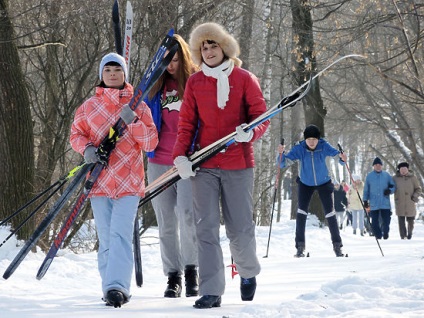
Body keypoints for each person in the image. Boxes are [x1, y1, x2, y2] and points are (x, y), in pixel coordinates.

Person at [172, 22, 270, 309]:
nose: (209, 50)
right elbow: (186, 123)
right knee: (205, 228)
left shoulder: (243, 78)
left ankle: (248, 272)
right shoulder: (195, 82)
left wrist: (250, 132)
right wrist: (181, 157)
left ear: (224, 47)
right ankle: (211, 290)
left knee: (239, 228)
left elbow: (261, 116)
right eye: (203, 46)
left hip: (238, 163)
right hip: (204, 163)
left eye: (213, 44)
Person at [70, 53, 158, 307]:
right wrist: (87, 149)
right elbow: (76, 134)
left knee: (120, 233)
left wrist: (134, 122)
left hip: (129, 182)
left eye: (116, 70)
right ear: (101, 74)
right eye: (107, 69)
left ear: (124, 75)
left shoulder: (137, 105)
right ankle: (108, 285)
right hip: (99, 182)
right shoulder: (88, 106)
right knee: (107, 236)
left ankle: (117, 286)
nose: (111, 74)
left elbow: (151, 142)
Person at [144, 34, 199, 298]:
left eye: (176, 59)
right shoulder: (154, 86)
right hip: (158, 160)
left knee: (187, 217)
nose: (171, 66)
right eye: (167, 61)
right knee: (166, 222)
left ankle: (191, 270)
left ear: (184, 58)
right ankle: (173, 275)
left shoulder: (195, 82)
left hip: (187, 161)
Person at [277, 124, 347, 257]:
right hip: (305, 183)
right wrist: (280, 154)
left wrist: (343, 159)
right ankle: (300, 247)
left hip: (324, 182)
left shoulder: (324, 146)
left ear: (318, 139)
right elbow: (283, 163)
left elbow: (337, 156)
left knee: (330, 214)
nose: (312, 142)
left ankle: (337, 246)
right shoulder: (300, 148)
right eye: (309, 140)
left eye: (314, 139)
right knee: (301, 213)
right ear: (305, 140)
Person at [363, 157, 396, 240]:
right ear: (373, 166)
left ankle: (385, 233)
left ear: (382, 166)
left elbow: (393, 186)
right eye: (376, 165)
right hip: (374, 203)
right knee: (374, 222)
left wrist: (389, 190)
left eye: (379, 165)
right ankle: (378, 235)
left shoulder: (387, 175)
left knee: (386, 220)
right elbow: (366, 189)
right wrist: (365, 201)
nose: (378, 166)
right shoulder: (369, 176)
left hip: (385, 203)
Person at [393, 162, 422, 239]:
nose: (403, 171)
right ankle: (403, 236)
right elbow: (390, 187)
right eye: (401, 169)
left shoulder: (413, 178)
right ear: (399, 170)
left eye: (405, 169)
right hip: (400, 201)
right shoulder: (395, 178)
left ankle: (409, 234)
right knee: (401, 220)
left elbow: (418, 189)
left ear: (408, 169)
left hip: (410, 201)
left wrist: (415, 196)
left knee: (411, 220)